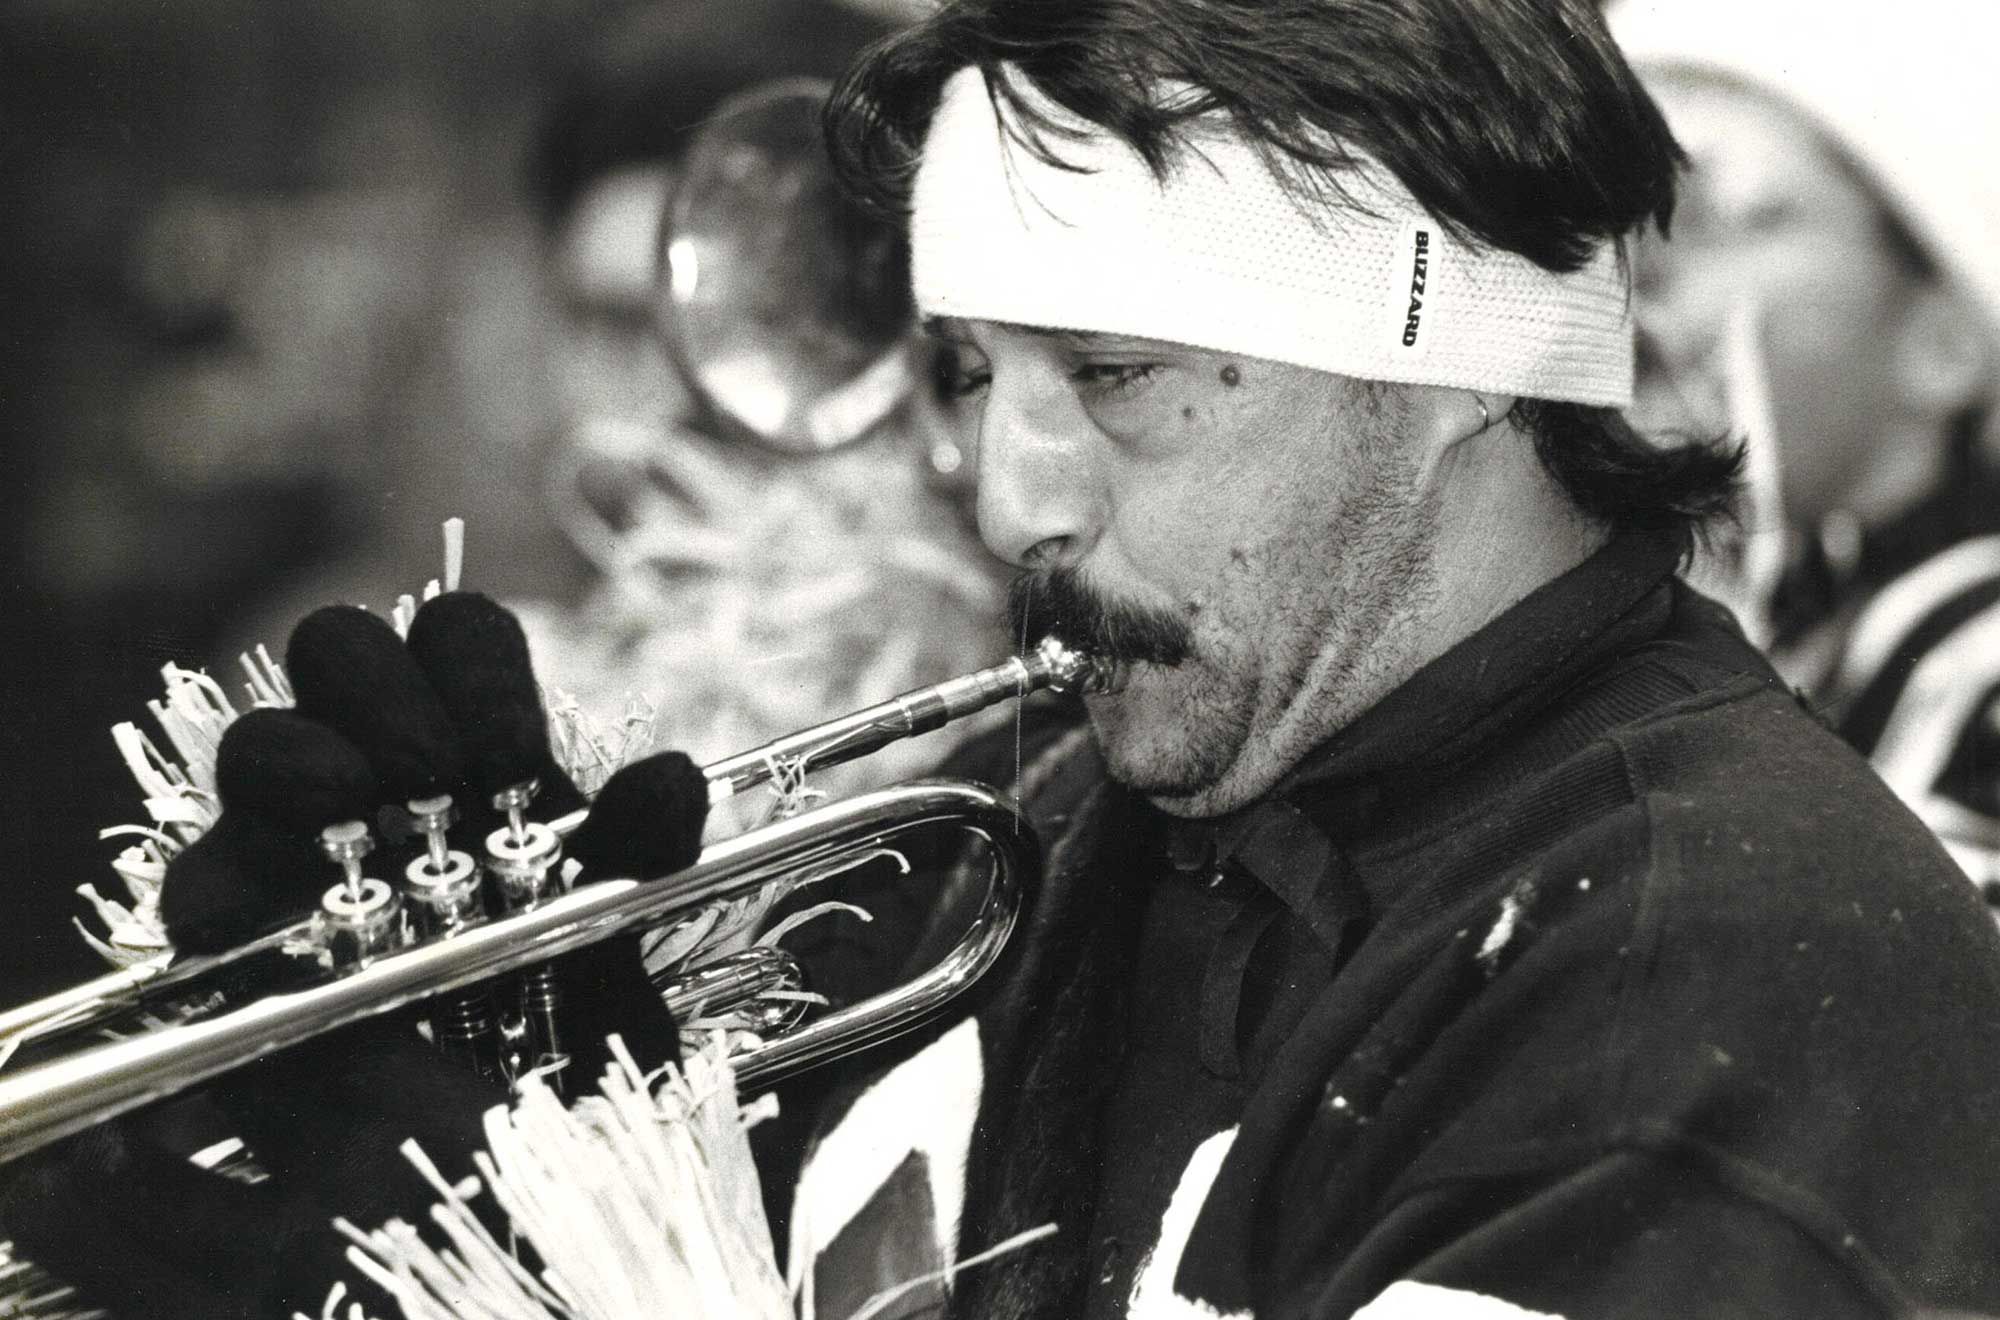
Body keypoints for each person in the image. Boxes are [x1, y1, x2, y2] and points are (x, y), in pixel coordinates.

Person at [764, 1, 2000, 1317]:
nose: (1011, 508)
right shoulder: (1020, 815)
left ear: (1462, 367)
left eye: (1113, 371)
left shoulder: (1715, 986)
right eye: (970, 373)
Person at [1608, 0, 2000, 889]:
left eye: (1714, 213)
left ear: (1946, 343)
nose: (1638, 269)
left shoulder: (1978, 682)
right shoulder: (1794, 632)